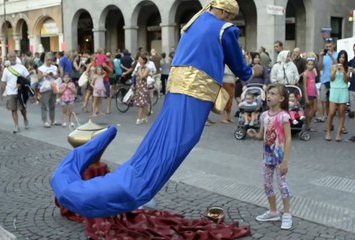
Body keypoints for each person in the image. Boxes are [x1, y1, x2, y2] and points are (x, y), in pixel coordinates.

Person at [51, 0, 252, 217]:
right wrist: (249, 74)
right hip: (196, 93)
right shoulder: (225, 29)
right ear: (223, 11)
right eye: (229, 16)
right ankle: (134, 188)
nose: (230, 21)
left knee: (163, 138)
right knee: (178, 142)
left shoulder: (195, 22)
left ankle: (135, 181)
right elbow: (239, 65)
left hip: (177, 90)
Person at [247, 83, 292, 230]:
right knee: (267, 184)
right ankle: (273, 211)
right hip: (267, 156)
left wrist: (285, 160)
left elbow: (288, 138)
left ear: (281, 98)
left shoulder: (284, 116)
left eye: (273, 94)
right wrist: (255, 135)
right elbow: (262, 135)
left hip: (279, 157)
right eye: (269, 93)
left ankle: (286, 214)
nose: (269, 96)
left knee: (282, 185)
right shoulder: (264, 115)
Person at [0, 52, 30, 133]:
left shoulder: (22, 67)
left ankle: (25, 118)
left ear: (16, 57)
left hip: (20, 91)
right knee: (13, 110)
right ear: (8, 58)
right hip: (10, 92)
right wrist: (2, 93)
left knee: (22, 109)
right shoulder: (6, 69)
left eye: (13, 56)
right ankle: (16, 126)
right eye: (10, 57)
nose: (12, 58)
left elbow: (28, 78)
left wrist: (22, 84)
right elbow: (3, 82)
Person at [326, 51, 350, 142]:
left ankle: (339, 133)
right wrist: (335, 70)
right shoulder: (333, 67)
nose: (342, 59)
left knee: (341, 113)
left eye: (343, 57)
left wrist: (344, 71)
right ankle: (328, 131)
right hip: (334, 89)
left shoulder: (347, 68)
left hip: (343, 90)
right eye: (340, 57)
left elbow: (347, 80)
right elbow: (331, 78)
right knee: (331, 112)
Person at [317, 38, 338, 123]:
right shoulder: (324, 56)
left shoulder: (337, 54)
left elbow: (337, 64)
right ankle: (326, 116)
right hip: (324, 80)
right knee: (323, 100)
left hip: (334, 80)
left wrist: (331, 55)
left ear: (334, 46)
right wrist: (321, 57)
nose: (328, 48)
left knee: (332, 101)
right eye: (327, 46)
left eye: (330, 46)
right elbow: (320, 67)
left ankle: (331, 116)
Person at [37, 52, 60, 128]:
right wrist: (44, 75)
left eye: (51, 60)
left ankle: (52, 120)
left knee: (52, 105)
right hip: (45, 88)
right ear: (45, 59)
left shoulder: (54, 67)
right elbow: (39, 79)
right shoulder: (41, 68)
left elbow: (57, 76)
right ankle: (45, 121)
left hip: (53, 86)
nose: (50, 62)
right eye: (48, 60)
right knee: (44, 105)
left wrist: (53, 75)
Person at [133, 54, 150, 125]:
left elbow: (142, 76)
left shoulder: (147, 68)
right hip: (138, 86)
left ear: (144, 60)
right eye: (138, 59)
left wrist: (139, 69)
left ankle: (139, 118)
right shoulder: (138, 67)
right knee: (142, 103)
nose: (139, 60)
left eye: (140, 59)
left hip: (143, 87)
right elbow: (135, 76)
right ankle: (144, 117)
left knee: (141, 103)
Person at [303, 58, 318, 132]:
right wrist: (306, 98)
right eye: (309, 64)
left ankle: (308, 124)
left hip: (314, 92)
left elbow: (314, 82)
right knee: (309, 109)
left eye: (312, 64)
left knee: (315, 109)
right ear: (306, 65)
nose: (310, 66)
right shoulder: (305, 73)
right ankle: (307, 125)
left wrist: (316, 92)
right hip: (308, 93)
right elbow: (305, 86)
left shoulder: (313, 72)